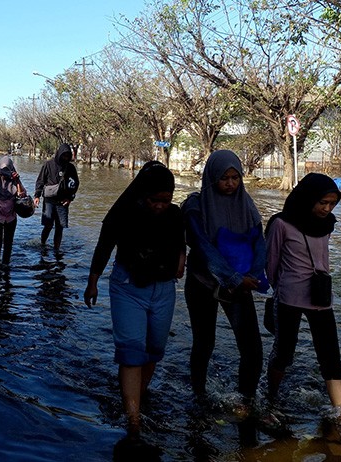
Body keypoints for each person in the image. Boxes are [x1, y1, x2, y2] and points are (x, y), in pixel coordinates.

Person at [84, 161, 186, 441]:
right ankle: (133, 422)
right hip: (128, 286)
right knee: (132, 351)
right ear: (143, 195)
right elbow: (104, 246)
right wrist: (92, 282)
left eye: (166, 200)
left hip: (163, 289)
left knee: (153, 349)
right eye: (155, 200)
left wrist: (181, 258)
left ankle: (137, 398)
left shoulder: (174, 215)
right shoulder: (124, 213)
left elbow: (180, 241)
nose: (160, 205)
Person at [264, 173, 341, 420]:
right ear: (308, 198)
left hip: (321, 297)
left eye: (332, 203)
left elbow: (322, 259)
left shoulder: (328, 224)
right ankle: (271, 396)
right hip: (289, 298)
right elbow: (270, 264)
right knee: (284, 353)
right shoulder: (281, 223)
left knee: (330, 355)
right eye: (322, 202)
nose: (327, 208)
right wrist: (280, 289)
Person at [182, 149, 267, 406]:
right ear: (211, 177)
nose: (230, 183)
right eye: (224, 178)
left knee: (252, 349)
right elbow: (202, 245)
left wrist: (253, 275)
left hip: (241, 285)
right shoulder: (196, 205)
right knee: (204, 343)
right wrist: (232, 278)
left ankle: (247, 400)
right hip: (203, 283)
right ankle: (199, 396)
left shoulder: (246, 204)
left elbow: (258, 241)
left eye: (235, 177)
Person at [33, 143, 79, 251]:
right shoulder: (48, 164)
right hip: (49, 200)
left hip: (63, 202)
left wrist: (70, 198)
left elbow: (75, 183)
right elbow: (40, 180)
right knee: (48, 225)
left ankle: (56, 250)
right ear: (59, 154)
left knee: (60, 227)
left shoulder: (70, 168)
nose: (65, 158)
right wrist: (37, 196)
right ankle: (42, 244)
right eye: (64, 155)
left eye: (68, 156)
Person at [0, 156, 27, 267]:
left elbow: (22, 194)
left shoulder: (14, 181)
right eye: (1, 172)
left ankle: (6, 264)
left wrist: (17, 181)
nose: (3, 175)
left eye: (6, 172)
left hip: (11, 216)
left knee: (8, 243)